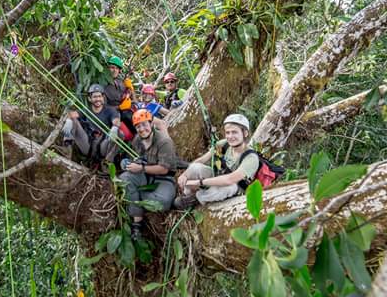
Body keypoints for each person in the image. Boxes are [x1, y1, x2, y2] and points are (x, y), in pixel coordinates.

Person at [173, 113, 259, 209]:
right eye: (227, 132)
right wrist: (185, 175)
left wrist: (199, 182)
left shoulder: (251, 158)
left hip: (234, 188)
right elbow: (201, 160)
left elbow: (229, 180)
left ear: (245, 133)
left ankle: (197, 199)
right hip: (217, 177)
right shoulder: (223, 145)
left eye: (234, 132)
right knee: (195, 167)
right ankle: (187, 194)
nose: (230, 136)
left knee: (230, 187)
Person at [118, 109, 177, 240]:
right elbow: (134, 157)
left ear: (151, 124)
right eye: (138, 126)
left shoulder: (164, 141)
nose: (142, 129)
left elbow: (164, 169)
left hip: (164, 179)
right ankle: (137, 223)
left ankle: (134, 199)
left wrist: (141, 168)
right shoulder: (137, 140)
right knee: (124, 179)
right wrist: (126, 163)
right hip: (144, 175)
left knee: (164, 203)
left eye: (144, 124)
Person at [62, 84, 122, 165]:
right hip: (87, 144)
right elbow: (72, 114)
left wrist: (114, 128)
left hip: (102, 147)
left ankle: (107, 163)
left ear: (103, 97)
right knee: (72, 120)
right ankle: (67, 149)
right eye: (95, 97)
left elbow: (116, 120)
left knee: (120, 134)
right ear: (90, 99)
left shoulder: (110, 110)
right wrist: (69, 120)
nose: (97, 99)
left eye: (99, 96)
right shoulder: (87, 110)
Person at [103, 56, 136, 133]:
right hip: (115, 115)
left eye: (116, 68)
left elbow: (134, 100)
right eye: (112, 67)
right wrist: (119, 107)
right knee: (126, 115)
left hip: (128, 111)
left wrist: (131, 89)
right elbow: (103, 108)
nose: (114, 70)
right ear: (108, 69)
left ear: (119, 70)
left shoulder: (121, 82)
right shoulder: (103, 85)